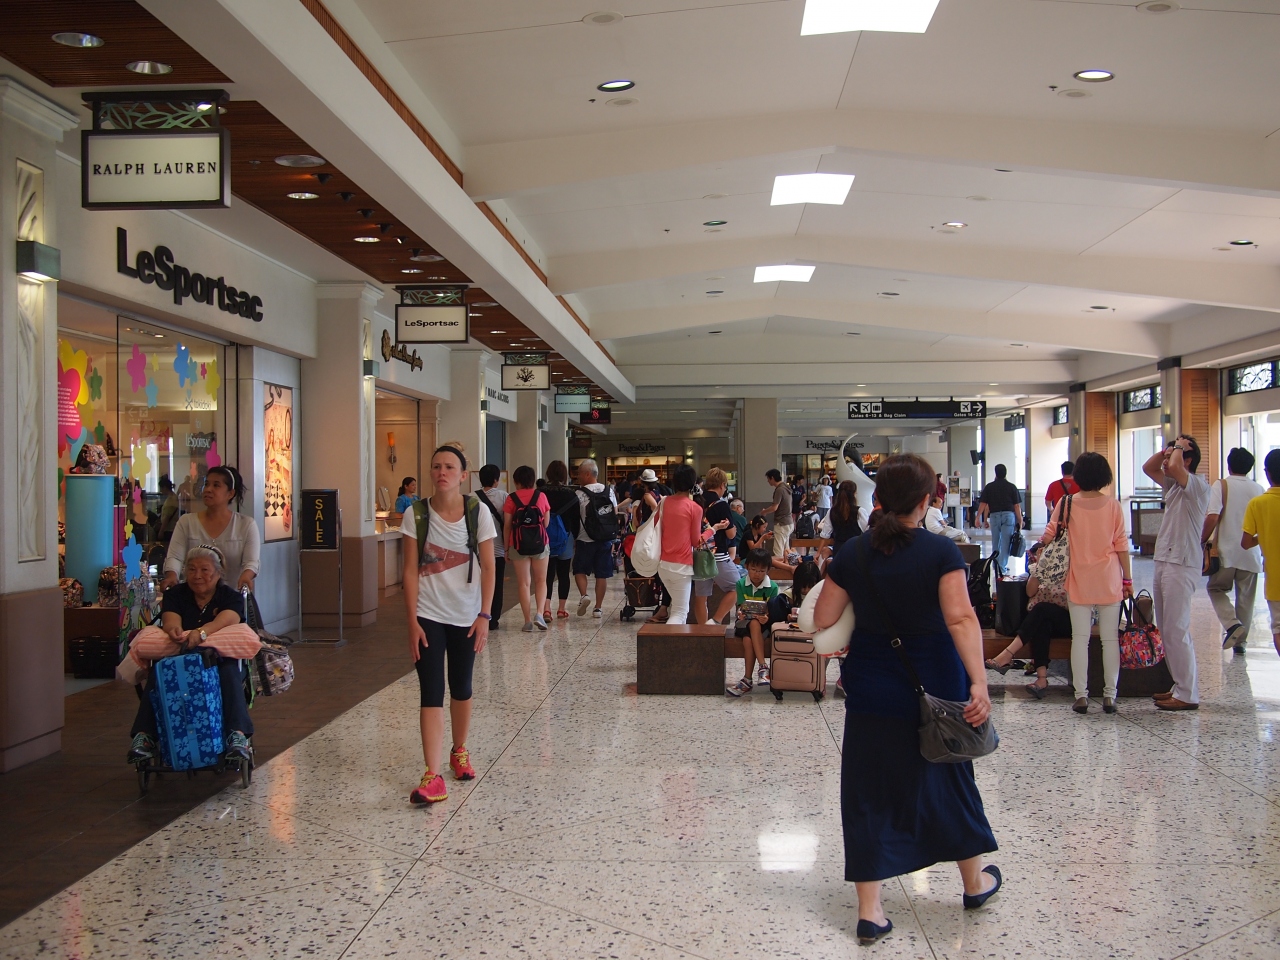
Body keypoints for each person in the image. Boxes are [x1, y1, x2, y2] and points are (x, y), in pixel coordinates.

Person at [812, 454, 999, 941]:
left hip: (872, 688)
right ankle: (974, 884)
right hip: (937, 685)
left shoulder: (854, 552)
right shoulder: (941, 552)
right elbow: (961, 619)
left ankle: (870, 911)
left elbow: (824, 618)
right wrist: (979, 682)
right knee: (950, 779)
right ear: (926, 501)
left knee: (868, 791)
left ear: (878, 500)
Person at [401, 444, 497, 804]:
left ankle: (459, 751)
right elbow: (409, 570)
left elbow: (489, 567)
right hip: (428, 614)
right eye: (436, 466)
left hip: (466, 615)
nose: (442, 472)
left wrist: (485, 615)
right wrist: (411, 620)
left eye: (449, 467)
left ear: (462, 475)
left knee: (462, 686)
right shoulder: (416, 514)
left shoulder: (477, 512)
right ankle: (432, 774)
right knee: (431, 689)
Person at [125, 545, 258, 765]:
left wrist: (201, 632)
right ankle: (144, 736)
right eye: (192, 569)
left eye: (205, 570)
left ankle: (237, 735)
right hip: (181, 656)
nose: (197, 576)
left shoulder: (229, 597)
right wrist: (174, 631)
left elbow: (225, 620)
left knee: (229, 673)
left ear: (218, 573)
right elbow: (171, 620)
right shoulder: (176, 595)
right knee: (160, 672)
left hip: (218, 659)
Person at [1043, 452, 1132, 714]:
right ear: (1104, 475)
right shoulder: (1113, 505)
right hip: (1109, 579)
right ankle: (1110, 696)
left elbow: (1049, 535)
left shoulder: (1067, 502)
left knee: (1080, 639)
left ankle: (1081, 696)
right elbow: (1121, 545)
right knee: (1110, 640)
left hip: (1079, 579)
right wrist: (1127, 579)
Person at [1142, 435, 1209, 711]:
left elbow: (1177, 468)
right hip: (1165, 560)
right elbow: (1148, 467)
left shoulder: (1198, 485)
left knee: (1176, 628)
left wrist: (1179, 446)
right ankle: (1179, 686)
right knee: (1167, 629)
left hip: (1181, 563)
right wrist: (1167, 450)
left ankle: (1188, 694)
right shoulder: (1173, 486)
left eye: (1175, 455)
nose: (1167, 462)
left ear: (1188, 460)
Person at [983, 540, 1071, 699]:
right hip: (1047, 618)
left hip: (1071, 617)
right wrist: (1040, 567)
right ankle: (1041, 679)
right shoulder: (1042, 566)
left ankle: (1008, 654)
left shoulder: (1067, 564)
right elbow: (1030, 592)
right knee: (1042, 622)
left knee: (1041, 610)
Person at [162, 465, 259, 594]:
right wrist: (172, 575)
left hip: (231, 598)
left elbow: (251, 561)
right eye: (206, 484)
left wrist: (246, 575)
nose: (208, 489)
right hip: (192, 598)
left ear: (230, 493)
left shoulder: (246, 524)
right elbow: (175, 557)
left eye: (216, 485)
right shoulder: (186, 522)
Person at [1203, 447, 1262, 654]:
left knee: (1215, 588)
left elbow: (1213, 516)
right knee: (1246, 599)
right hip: (1251, 553)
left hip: (1226, 552)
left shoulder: (1222, 485)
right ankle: (1240, 644)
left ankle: (1232, 624)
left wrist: (1201, 539)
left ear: (1229, 465)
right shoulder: (1259, 489)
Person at [656, 464, 709, 626]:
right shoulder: (695, 508)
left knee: (676, 609)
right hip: (681, 567)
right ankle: (668, 641)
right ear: (693, 482)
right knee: (680, 612)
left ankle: (671, 640)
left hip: (663, 565)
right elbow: (696, 541)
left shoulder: (664, 502)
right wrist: (712, 530)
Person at [1241, 449, 1280, 658]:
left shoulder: (1257, 504)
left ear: (1267, 473)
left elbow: (1246, 542)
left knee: (1278, 628)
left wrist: (1263, 535)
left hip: (1275, 582)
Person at [725, 549, 781, 697]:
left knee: (748, 640)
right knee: (753, 623)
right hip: (743, 623)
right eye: (754, 570)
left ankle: (747, 680)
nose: (757, 574)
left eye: (762, 571)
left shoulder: (773, 587)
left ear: (768, 570)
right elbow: (740, 607)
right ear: (747, 567)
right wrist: (740, 613)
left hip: (762, 625)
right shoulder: (741, 583)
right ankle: (763, 667)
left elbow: (770, 612)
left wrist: (766, 617)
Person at [503, 465, 550, 632]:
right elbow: (546, 523)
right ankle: (540, 614)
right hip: (540, 543)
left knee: (524, 583)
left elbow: (507, 526)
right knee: (541, 580)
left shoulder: (511, 498)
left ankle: (527, 621)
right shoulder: (541, 496)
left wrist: (506, 549)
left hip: (517, 544)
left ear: (516, 482)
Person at [573, 459, 618, 618]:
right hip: (605, 538)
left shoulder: (579, 494)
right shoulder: (609, 491)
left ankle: (584, 595)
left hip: (584, 538)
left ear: (587, 474)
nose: (578, 476)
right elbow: (614, 513)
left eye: (579, 473)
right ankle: (598, 608)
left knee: (579, 569)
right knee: (601, 574)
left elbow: (575, 517)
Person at [699, 468, 741, 626]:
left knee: (700, 596)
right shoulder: (721, 505)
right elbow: (730, 534)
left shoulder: (697, 501)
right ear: (722, 485)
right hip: (718, 555)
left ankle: (703, 630)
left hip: (699, 553)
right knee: (737, 587)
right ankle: (715, 621)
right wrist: (731, 529)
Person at [541, 459, 579, 621]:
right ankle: (562, 609)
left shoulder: (541, 492)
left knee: (547, 574)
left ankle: (546, 609)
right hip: (566, 537)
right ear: (565, 475)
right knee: (564, 573)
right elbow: (576, 519)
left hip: (545, 537)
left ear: (548, 474)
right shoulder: (571, 494)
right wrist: (575, 537)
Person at [476, 465, 508, 630]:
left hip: (477, 551)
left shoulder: (471, 498)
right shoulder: (504, 497)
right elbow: (508, 523)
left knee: (477, 585)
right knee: (496, 585)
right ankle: (493, 619)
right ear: (496, 480)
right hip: (498, 549)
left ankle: (477, 615)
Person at [976, 464, 1022, 575]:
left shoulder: (989, 487)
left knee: (995, 541)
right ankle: (1002, 567)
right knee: (1006, 542)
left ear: (995, 473)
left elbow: (983, 504)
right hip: (1008, 516)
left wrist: (979, 517)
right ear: (1006, 473)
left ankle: (995, 565)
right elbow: (1016, 506)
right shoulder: (1011, 487)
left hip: (995, 516)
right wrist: (1020, 520)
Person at [818, 480, 864, 565]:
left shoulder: (832, 511)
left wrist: (818, 553)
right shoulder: (859, 511)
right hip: (855, 552)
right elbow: (868, 531)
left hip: (838, 551)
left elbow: (824, 535)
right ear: (854, 494)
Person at [762, 469, 794, 558]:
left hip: (781, 523)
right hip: (789, 522)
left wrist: (764, 512)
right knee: (786, 550)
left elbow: (774, 507)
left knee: (778, 551)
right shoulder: (786, 488)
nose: (768, 481)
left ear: (772, 478)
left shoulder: (779, 489)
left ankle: (779, 567)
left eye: (768, 479)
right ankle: (787, 565)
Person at [157, 475, 179, 543]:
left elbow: (167, 517)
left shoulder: (171, 500)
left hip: (169, 530)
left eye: (161, 488)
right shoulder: (172, 497)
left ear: (164, 487)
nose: (160, 490)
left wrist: (161, 531)